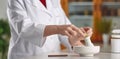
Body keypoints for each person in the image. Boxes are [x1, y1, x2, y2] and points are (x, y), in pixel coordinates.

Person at [7, 0, 92, 59]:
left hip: (53, 55)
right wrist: (57, 29)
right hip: (26, 56)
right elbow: (24, 28)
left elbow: (64, 27)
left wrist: (74, 38)